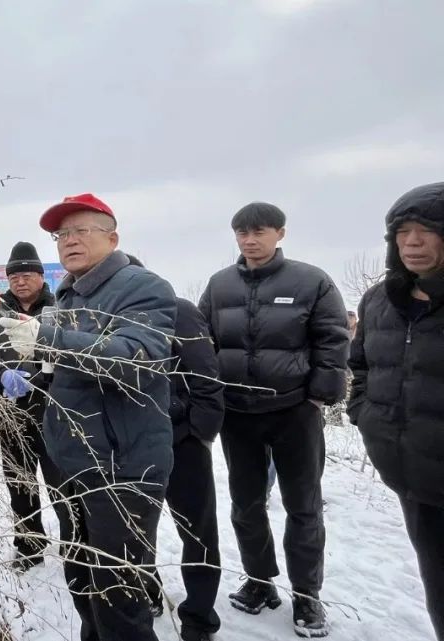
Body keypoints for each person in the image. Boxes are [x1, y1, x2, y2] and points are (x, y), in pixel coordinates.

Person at [0, 194, 176, 641]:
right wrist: (34, 373)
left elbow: (138, 359)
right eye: (61, 234)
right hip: (74, 463)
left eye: (81, 230)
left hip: (121, 466)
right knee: (82, 580)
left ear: (112, 238)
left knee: (119, 598)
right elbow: (70, 368)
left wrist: (47, 339)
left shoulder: (142, 287)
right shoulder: (69, 293)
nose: (69, 241)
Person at [198, 202, 348, 638]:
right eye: (242, 232)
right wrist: (208, 392)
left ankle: (307, 593)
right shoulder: (220, 284)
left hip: (294, 411)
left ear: (280, 233)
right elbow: (202, 340)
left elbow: (332, 338)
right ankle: (259, 581)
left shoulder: (311, 280)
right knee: (245, 505)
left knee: (303, 506)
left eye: (259, 231)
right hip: (239, 414)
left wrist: (320, 394)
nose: (250, 240)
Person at [348, 182, 444, 641]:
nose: (413, 242)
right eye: (403, 232)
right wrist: (364, 414)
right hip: (415, 479)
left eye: (427, 230)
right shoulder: (379, 301)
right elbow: (361, 366)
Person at [127, 256, 225, 641]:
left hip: (180, 441)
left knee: (197, 533)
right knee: (134, 531)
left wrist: (198, 433)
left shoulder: (177, 311)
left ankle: (199, 617)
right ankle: (146, 591)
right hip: (131, 446)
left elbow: (205, 375)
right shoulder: (104, 317)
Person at [0, 241, 69, 573]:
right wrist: (1, 373)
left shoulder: (58, 309)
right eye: (14, 277)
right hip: (11, 413)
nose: (20, 281)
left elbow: (69, 354)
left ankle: (74, 543)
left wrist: (43, 379)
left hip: (53, 414)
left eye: (27, 275)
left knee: (62, 483)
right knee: (19, 483)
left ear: (41, 277)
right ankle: (29, 546)